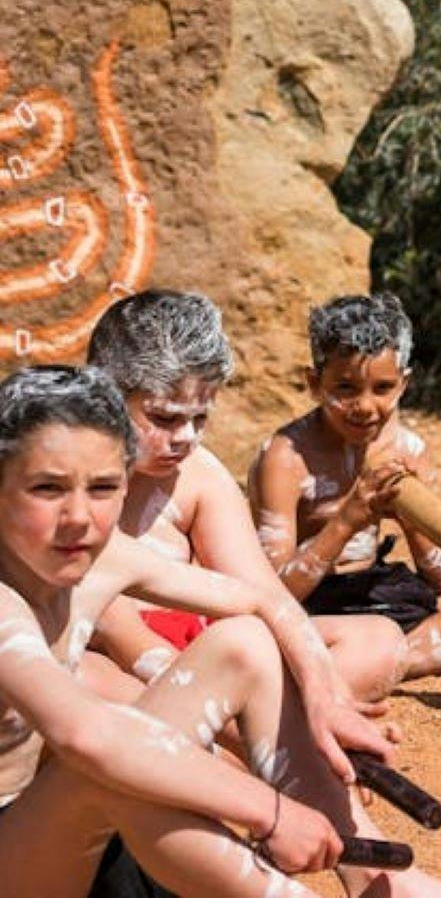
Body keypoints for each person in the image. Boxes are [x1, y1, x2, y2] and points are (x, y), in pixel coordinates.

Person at [0, 364, 416, 896]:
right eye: (46, 488)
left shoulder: (104, 559)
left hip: (67, 847)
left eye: (103, 488)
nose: (79, 516)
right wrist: (267, 811)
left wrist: (326, 696)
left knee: (242, 643)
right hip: (25, 856)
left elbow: (262, 602)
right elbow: (90, 736)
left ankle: (378, 881)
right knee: (102, 769)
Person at [84, 291, 407, 704]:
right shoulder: (67, 472)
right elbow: (114, 626)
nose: (185, 437)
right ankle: (239, 736)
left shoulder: (198, 473)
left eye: (200, 418)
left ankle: (222, 734)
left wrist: (321, 688)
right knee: (85, 681)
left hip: (199, 652)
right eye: (164, 418)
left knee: (378, 642)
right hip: (111, 658)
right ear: (106, 392)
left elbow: (262, 593)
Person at [250, 294, 441, 680]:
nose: (364, 406)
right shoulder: (286, 458)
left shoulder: (405, 447)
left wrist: (413, 514)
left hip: (377, 591)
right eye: (345, 388)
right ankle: (419, 655)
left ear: (404, 384)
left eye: (382, 389)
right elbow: (273, 595)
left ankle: (391, 654)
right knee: (267, 635)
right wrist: (348, 519)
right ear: (315, 384)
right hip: (314, 604)